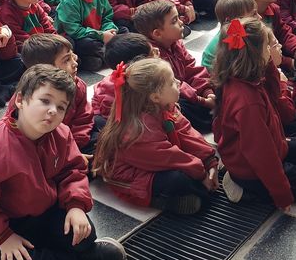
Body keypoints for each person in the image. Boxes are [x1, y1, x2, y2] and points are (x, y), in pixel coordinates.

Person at [0, 64, 126, 260]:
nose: (53, 110)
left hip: (48, 210)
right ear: (20, 100)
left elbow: (72, 171)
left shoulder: (62, 134)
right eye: (45, 101)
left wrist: (75, 206)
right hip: (10, 224)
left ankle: (78, 253)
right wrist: (2, 236)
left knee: (84, 233)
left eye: (61, 107)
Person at [212, 16, 296, 209]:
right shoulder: (247, 102)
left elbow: (274, 94)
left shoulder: (247, 76)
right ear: (255, 54)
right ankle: (244, 189)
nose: (271, 49)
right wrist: (282, 195)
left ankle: (279, 172)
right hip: (250, 169)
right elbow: (261, 154)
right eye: (267, 46)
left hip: (274, 146)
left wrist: (269, 63)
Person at [93, 58, 219, 215]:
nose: (178, 83)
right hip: (127, 176)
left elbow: (186, 132)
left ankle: (192, 191)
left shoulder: (165, 106)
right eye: (172, 82)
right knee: (179, 180)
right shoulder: (138, 130)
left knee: (193, 172)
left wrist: (209, 160)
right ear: (155, 97)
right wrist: (201, 173)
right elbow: (169, 157)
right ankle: (161, 201)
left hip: (154, 159)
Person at [133, 0, 215, 133]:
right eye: (174, 21)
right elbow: (173, 87)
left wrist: (207, 92)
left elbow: (192, 70)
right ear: (157, 34)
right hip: (169, 96)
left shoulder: (176, 44)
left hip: (184, 91)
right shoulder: (151, 56)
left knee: (220, 86)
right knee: (180, 107)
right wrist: (202, 100)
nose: (181, 22)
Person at [16, 34, 104, 155]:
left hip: (73, 139)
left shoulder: (78, 85)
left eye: (73, 56)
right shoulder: (27, 96)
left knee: (105, 134)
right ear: (46, 69)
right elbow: (28, 136)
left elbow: (83, 118)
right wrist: (68, 154)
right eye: (67, 60)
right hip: (45, 148)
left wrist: (75, 147)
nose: (75, 63)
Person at [231, 0, 296, 70]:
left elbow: (285, 34)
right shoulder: (240, 23)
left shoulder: (272, 8)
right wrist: (290, 62)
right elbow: (254, 58)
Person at [56, 0, 118, 72]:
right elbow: (74, 31)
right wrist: (101, 35)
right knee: (87, 44)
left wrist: (109, 30)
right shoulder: (70, 1)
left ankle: (97, 59)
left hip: (97, 35)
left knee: (122, 28)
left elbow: (107, 17)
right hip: (80, 39)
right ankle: (108, 56)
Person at [92, 32, 156, 118]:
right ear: (139, 65)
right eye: (153, 53)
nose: (157, 52)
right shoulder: (119, 90)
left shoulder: (130, 76)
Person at [200, 0, 257, 70]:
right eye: (254, 15)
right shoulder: (228, 45)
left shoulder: (242, 34)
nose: (259, 17)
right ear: (232, 21)